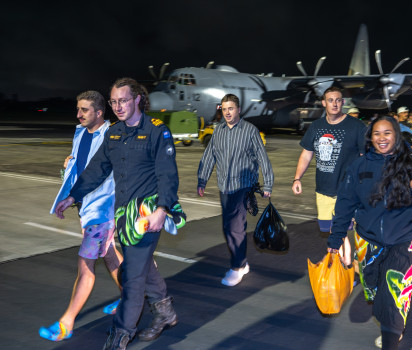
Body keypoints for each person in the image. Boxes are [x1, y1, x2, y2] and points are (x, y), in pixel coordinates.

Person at [54, 78, 181, 350]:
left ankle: (120, 335)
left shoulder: (158, 131)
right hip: (123, 216)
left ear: (137, 100)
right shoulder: (114, 134)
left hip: (148, 215)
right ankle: (165, 312)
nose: (118, 106)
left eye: (123, 100)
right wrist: (72, 196)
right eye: (113, 101)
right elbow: (96, 170)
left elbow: (168, 175)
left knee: (132, 274)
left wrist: (162, 210)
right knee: (142, 267)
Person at [327, 115, 412, 350]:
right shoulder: (359, 166)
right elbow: (345, 203)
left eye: (387, 133)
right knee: (374, 291)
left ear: (396, 135)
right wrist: (336, 236)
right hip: (368, 241)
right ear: (370, 137)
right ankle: (391, 324)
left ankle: (391, 339)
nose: (382, 138)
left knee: (392, 294)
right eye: (376, 133)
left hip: (407, 239)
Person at [39, 91, 123, 342]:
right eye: (78, 109)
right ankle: (132, 296)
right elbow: (79, 166)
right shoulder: (79, 133)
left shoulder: (113, 135)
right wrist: (67, 177)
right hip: (86, 206)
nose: (78, 114)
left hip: (103, 209)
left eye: (84, 110)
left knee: (86, 266)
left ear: (99, 112)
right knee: (109, 255)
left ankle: (67, 322)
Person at [197, 93, 274, 287]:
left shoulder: (250, 131)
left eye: (231, 108)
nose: (227, 112)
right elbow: (209, 157)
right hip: (224, 186)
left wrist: (268, 184)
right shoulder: (218, 131)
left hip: (243, 186)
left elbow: (263, 158)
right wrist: (202, 180)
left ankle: (238, 267)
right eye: (224, 109)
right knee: (227, 227)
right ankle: (242, 262)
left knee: (235, 227)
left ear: (238, 109)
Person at [292, 86, 367, 234]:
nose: (334, 104)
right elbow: (306, 154)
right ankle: (336, 257)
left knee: (344, 232)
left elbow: (364, 157)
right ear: (324, 103)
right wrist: (297, 178)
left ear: (343, 102)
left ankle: (344, 258)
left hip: (347, 191)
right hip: (323, 191)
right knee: (328, 231)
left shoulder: (357, 126)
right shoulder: (316, 126)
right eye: (330, 100)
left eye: (338, 100)